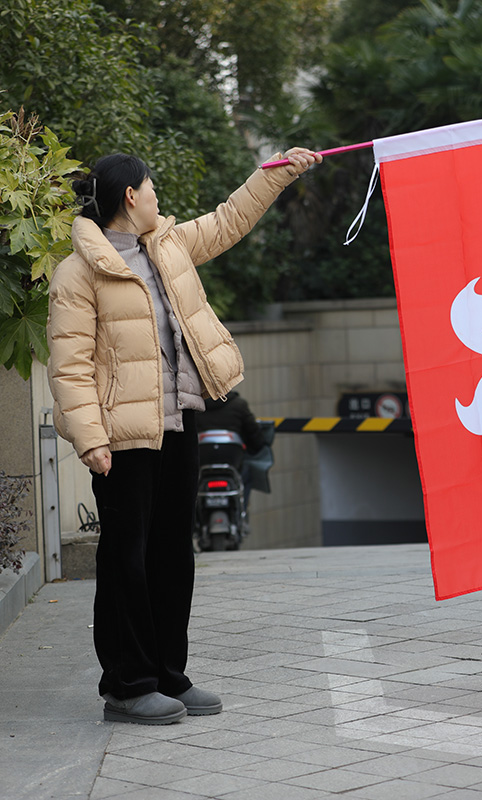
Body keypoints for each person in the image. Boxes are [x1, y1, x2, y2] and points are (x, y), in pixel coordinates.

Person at [47, 147, 321, 725]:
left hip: (177, 423)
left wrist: (274, 173)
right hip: (121, 438)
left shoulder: (167, 247)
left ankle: (170, 674)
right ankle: (127, 685)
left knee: (173, 553)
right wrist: (90, 438)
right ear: (130, 197)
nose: (157, 197)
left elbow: (228, 221)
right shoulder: (79, 272)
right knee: (126, 560)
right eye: (151, 188)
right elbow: (70, 366)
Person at [197, 391, 266, 512]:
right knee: (246, 475)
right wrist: (255, 447)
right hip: (232, 459)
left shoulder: (195, 406)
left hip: (202, 457)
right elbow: (254, 435)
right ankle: (242, 509)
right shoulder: (239, 404)